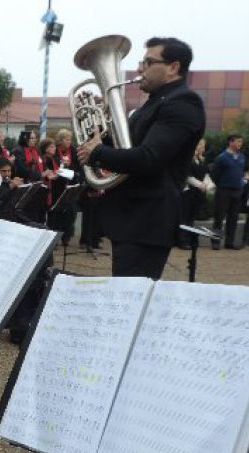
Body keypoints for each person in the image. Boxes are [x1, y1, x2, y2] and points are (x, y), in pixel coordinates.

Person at [77, 36, 205, 279]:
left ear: (173, 67)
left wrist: (98, 153)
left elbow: (149, 158)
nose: (139, 68)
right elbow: (124, 149)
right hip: (131, 219)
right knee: (125, 298)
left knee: (130, 303)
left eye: (147, 62)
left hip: (146, 221)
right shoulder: (153, 104)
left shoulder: (183, 103)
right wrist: (98, 135)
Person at [209, 134, 247, 250]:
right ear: (230, 143)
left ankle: (229, 242)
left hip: (236, 191)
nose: (240, 144)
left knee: (233, 217)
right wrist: (221, 184)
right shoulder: (222, 157)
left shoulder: (241, 157)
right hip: (223, 190)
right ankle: (216, 241)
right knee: (219, 217)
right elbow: (214, 174)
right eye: (238, 141)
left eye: (241, 141)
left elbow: (241, 172)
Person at [178, 138, 211, 249]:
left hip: (197, 193)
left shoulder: (202, 160)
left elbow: (206, 174)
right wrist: (200, 185)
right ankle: (182, 240)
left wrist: (206, 184)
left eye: (203, 145)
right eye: (200, 145)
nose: (202, 147)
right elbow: (186, 176)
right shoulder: (187, 159)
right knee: (185, 217)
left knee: (191, 217)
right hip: (187, 192)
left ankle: (188, 239)